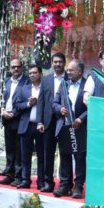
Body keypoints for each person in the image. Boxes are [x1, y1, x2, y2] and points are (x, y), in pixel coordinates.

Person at [52, 59, 88, 199]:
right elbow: (54, 103)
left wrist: (81, 119)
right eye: (68, 70)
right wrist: (60, 109)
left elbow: (92, 106)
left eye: (71, 70)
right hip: (65, 126)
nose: (68, 72)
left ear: (79, 71)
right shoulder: (63, 84)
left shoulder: (87, 85)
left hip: (80, 127)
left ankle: (78, 187)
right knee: (65, 156)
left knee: (79, 157)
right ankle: (64, 185)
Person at [13, 65, 52, 190]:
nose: (31, 75)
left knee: (42, 155)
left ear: (41, 74)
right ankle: (25, 180)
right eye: (30, 73)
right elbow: (17, 105)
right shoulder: (24, 89)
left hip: (41, 126)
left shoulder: (46, 88)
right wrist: (28, 104)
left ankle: (41, 182)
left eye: (34, 72)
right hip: (26, 125)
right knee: (25, 155)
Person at [0, 59, 29, 185]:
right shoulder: (6, 81)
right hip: (7, 119)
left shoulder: (27, 81)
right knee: (10, 148)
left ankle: (19, 176)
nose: (16, 69)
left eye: (18, 67)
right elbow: (0, 98)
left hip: (20, 118)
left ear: (22, 68)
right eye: (13, 67)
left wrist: (13, 114)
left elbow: (25, 101)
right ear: (10, 68)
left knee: (19, 149)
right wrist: (2, 112)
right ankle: (9, 174)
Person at [41, 52, 67, 193]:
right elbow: (41, 101)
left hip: (64, 121)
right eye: (55, 62)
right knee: (48, 153)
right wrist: (40, 121)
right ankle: (48, 182)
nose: (57, 64)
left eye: (60, 62)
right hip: (48, 121)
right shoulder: (46, 80)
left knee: (64, 154)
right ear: (52, 63)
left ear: (64, 63)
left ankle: (64, 184)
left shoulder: (70, 78)